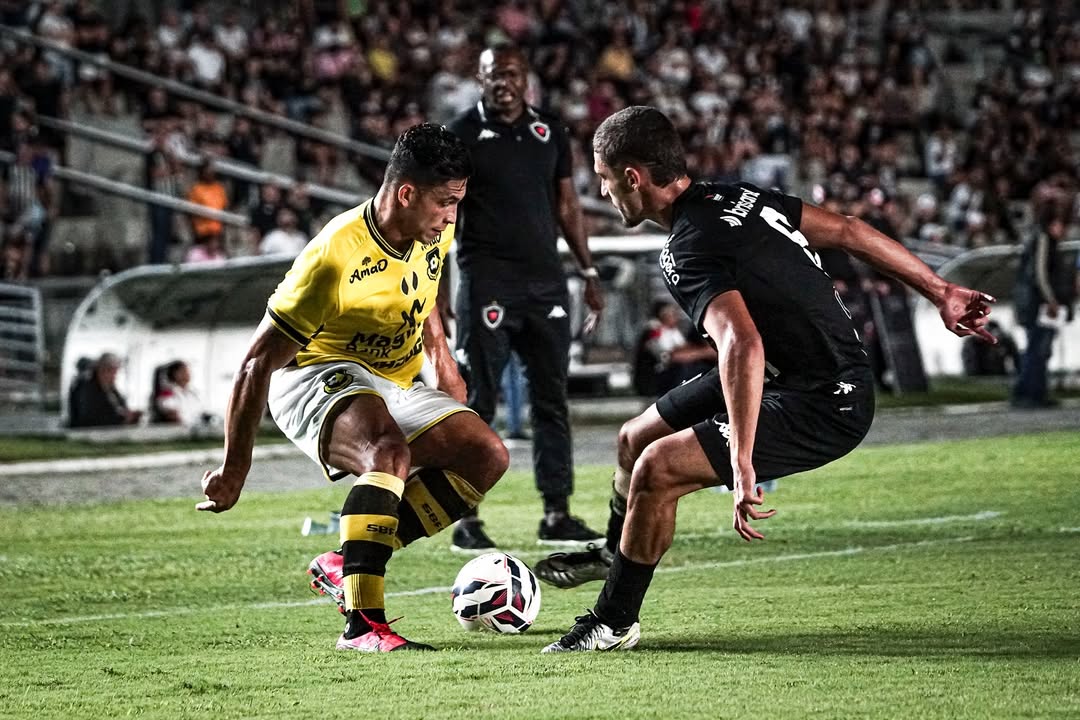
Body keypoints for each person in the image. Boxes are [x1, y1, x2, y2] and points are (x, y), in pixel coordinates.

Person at [538, 107, 997, 652]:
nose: (606, 194)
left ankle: (614, 621)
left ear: (633, 178)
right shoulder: (737, 197)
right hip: (789, 371)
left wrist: (742, 457)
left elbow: (741, 343)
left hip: (826, 400)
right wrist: (940, 290)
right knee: (635, 437)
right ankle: (619, 552)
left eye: (606, 181)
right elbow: (849, 230)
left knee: (659, 468)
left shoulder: (686, 248)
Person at [197, 124, 509, 653]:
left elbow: (424, 289)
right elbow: (255, 365)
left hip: (390, 379)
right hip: (313, 376)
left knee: (486, 454)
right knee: (386, 452)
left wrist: (442, 359)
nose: (452, 216)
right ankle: (363, 626)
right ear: (406, 193)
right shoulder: (333, 259)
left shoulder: (430, 228)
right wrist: (234, 469)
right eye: (445, 203)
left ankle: (347, 560)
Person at [445, 42, 606, 551]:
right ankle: (465, 518)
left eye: (512, 72)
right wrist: (441, 287)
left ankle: (556, 513)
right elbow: (446, 213)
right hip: (487, 281)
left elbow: (567, 206)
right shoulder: (461, 134)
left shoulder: (550, 131)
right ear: (480, 77)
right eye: (494, 74)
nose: (503, 82)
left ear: (526, 76)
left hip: (546, 285)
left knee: (551, 401)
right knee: (477, 402)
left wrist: (588, 268)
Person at [1011, 211, 1071, 408]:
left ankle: (1034, 391)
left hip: (1037, 305)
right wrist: (1051, 299)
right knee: (1037, 349)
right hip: (1039, 306)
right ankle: (1029, 393)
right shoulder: (1044, 241)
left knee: (1039, 349)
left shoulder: (1044, 241)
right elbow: (1041, 274)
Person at [68, 352, 143, 428]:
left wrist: (127, 414)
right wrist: (120, 418)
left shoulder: (110, 387)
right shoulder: (86, 387)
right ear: (104, 370)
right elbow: (90, 416)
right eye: (113, 372)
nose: (115, 376)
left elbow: (119, 405)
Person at [150, 360, 203, 426]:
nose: (187, 374)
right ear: (174, 374)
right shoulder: (167, 392)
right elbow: (171, 414)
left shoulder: (192, 393)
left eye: (188, 371)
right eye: (183, 371)